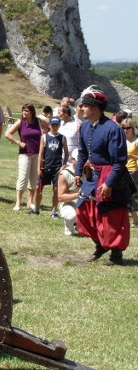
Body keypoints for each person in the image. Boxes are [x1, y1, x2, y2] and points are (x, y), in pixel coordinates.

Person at [74, 86, 131, 266]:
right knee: (83, 211)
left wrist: (109, 183)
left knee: (110, 215)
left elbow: (119, 160)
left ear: (96, 109)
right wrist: (77, 173)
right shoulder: (84, 126)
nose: (81, 108)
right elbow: (82, 152)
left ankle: (116, 256)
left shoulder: (112, 129)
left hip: (110, 175)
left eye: (85, 106)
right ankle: (100, 245)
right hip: (92, 174)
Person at [5, 104, 44, 211]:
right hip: (25, 154)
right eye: (23, 110)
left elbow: (47, 129)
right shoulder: (20, 122)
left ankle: (30, 201)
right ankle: (18, 202)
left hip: (37, 154)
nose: (24, 112)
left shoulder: (38, 121)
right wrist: (18, 142)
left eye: (27, 111)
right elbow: (7, 134)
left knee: (34, 179)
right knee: (23, 177)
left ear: (32, 112)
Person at [35, 116, 68, 217]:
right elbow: (40, 153)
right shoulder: (44, 137)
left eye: (57, 125)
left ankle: (54, 211)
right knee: (38, 188)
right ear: (50, 125)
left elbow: (66, 153)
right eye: (53, 125)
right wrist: (38, 167)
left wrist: (64, 164)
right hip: (45, 166)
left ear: (59, 125)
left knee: (56, 189)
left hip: (57, 167)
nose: (55, 126)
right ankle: (36, 208)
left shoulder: (62, 138)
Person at [57, 149, 80, 236]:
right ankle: (70, 223)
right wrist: (78, 195)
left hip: (85, 205)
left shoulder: (89, 171)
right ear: (72, 159)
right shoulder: (65, 174)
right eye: (79, 160)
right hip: (69, 204)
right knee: (71, 216)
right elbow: (60, 197)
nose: (82, 162)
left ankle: (81, 224)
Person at [120, 118, 138, 227]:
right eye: (123, 128)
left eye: (128, 128)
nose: (125, 130)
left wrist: (131, 156)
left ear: (132, 128)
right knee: (125, 195)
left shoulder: (136, 141)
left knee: (129, 195)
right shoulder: (121, 139)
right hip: (121, 170)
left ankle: (135, 220)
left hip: (132, 170)